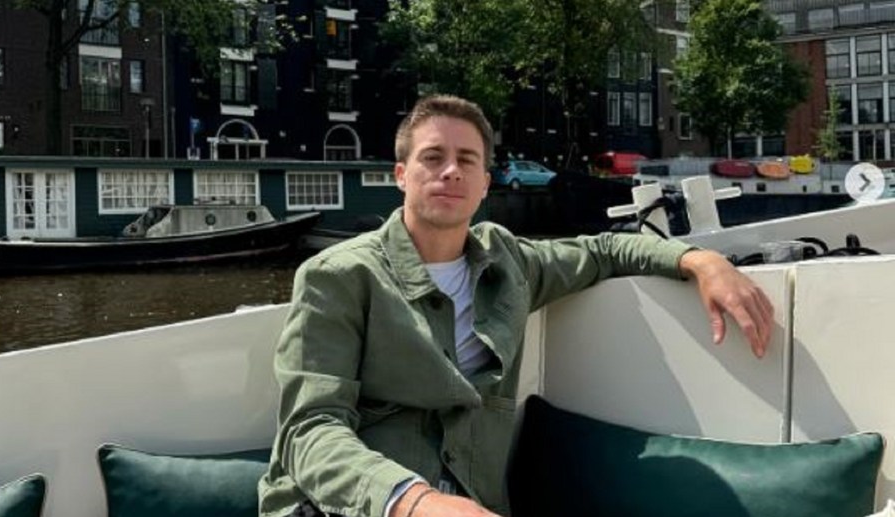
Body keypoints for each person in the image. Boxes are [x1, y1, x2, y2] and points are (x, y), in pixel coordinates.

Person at [258, 95, 773, 517]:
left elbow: (603, 250)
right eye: (432, 158)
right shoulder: (339, 277)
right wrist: (412, 502)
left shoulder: (510, 264)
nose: (450, 172)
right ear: (400, 175)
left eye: (467, 160)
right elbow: (309, 430)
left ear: (485, 183)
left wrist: (700, 261)